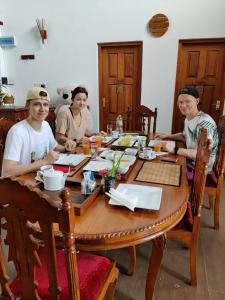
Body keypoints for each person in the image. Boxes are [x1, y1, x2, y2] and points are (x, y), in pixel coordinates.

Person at [2, 87, 74, 178]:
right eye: (36, 104)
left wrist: (66, 148)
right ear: (27, 106)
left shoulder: (46, 125)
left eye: (45, 104)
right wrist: (44, 162)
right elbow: (7, 171)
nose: (42, 109)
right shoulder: (17, 132)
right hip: (21, 186)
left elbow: (54, 147)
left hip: (43, 178)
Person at [157, 86, 218, 172]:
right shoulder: (188, 118)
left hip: (201, 170)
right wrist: (167, 136)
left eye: (187, 101)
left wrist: (175, 149)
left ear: (197, 101)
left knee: (162, 169)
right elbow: (185, 136)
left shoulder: (204, 123)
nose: (183, 105)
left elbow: (203, 153)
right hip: (190, 161)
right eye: (180, 102)